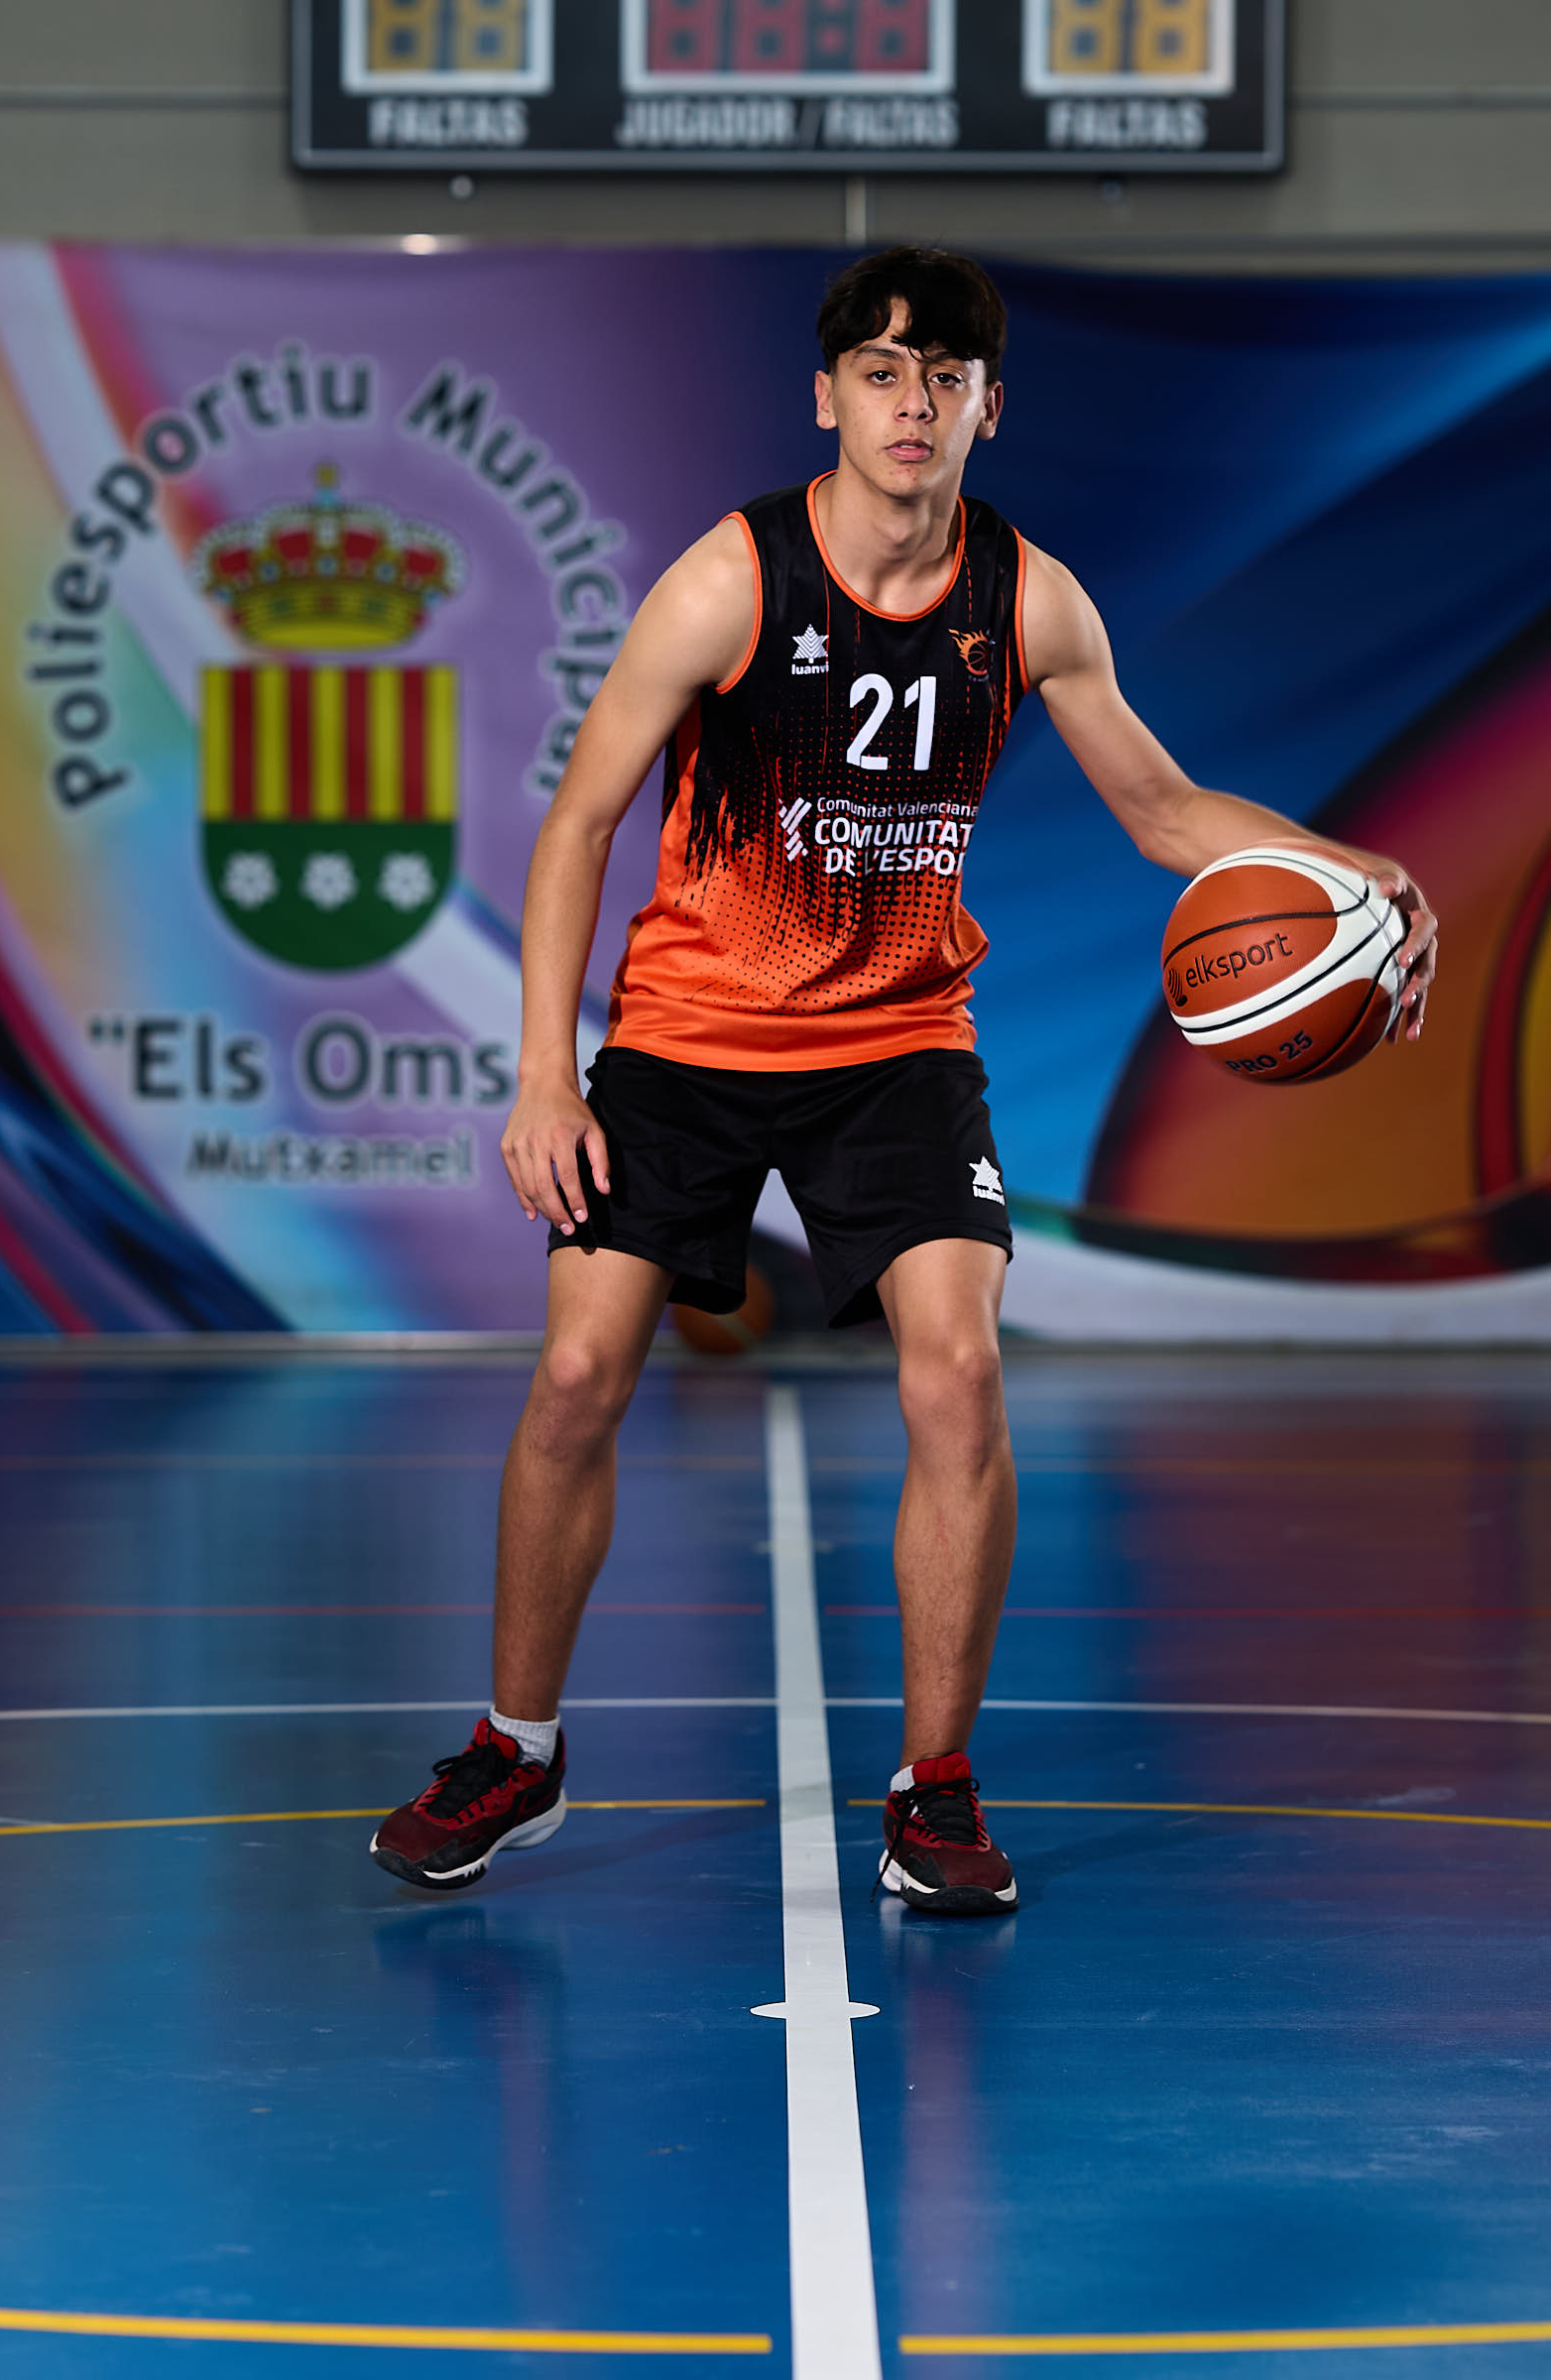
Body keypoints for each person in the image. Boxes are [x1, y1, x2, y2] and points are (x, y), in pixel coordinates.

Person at [371, 247, 1438, 1915]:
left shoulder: (1029, 602)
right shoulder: (731, 580)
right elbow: (578, 823)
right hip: (688, 1037)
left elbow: (1165, 815)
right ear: (829, 397)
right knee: (577, 1376)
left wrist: (1356, 871)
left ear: (990, 405)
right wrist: (542, 1078)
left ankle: (933, 1790)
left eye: (946, 374)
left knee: (959, 1377)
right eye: (881, 370)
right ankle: (519, 1748)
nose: (913, 401)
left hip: (898, 1044)